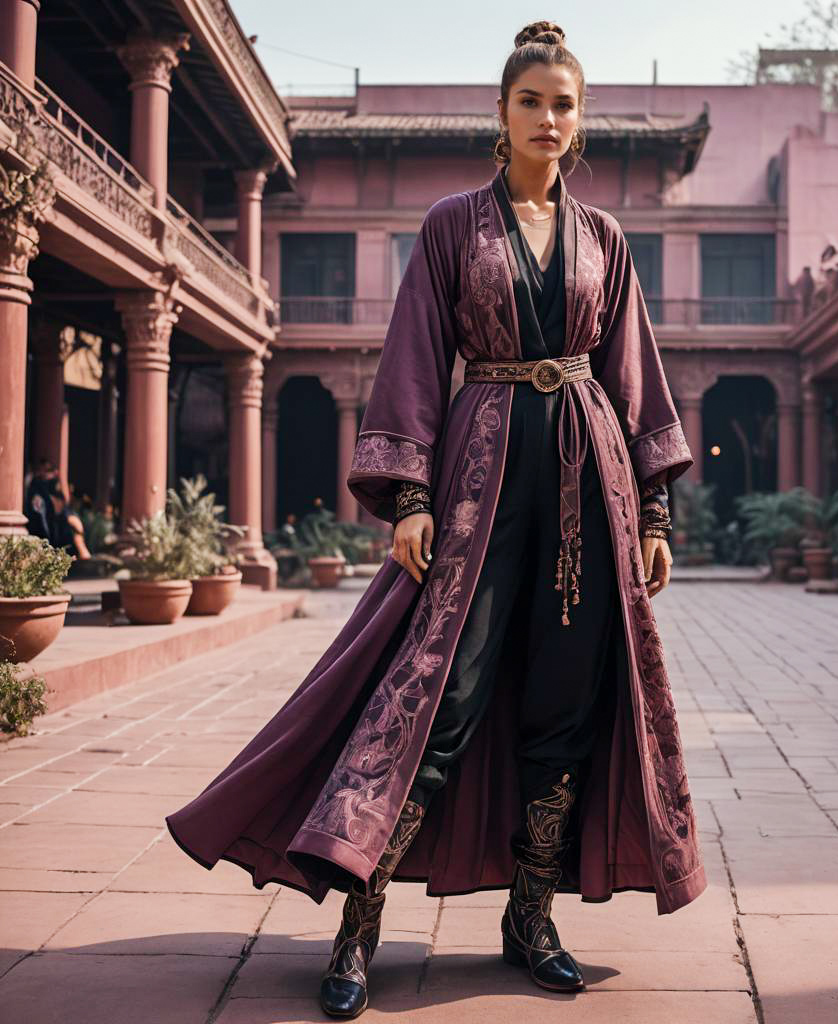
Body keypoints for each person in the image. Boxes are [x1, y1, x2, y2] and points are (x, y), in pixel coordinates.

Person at [166, 20, 706, 1020]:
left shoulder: (607, 241)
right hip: (480, 475)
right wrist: (409, 495)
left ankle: (531, 920)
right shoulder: (455, 226)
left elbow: (635, 375)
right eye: (534, 100)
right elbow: (415, 353)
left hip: (590, 482)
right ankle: (357, 930)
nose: (552, 118)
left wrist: (656, 509)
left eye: (566, 104)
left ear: (579, 123)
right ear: (500, 116)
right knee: (436, 695)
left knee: (565, 703)